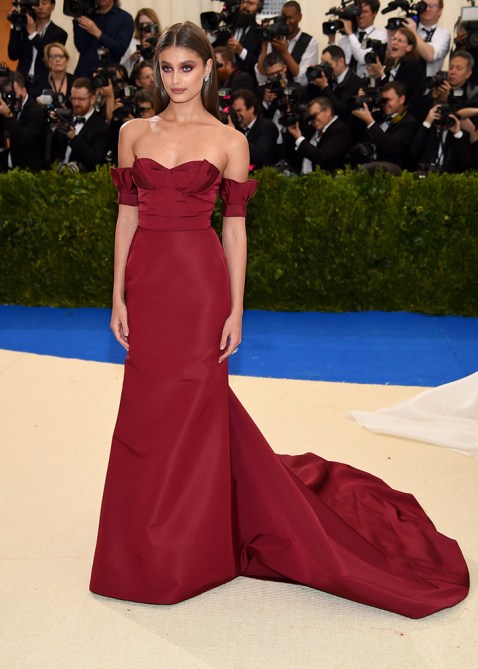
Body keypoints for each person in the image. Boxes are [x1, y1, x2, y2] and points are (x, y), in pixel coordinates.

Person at [89, 20, 469, 619]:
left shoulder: (229, 141)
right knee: (144, 412)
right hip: (147, 283)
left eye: (187, 67)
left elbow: (235, 232)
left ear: (208, 69)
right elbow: (125, 218)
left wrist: (235, 308)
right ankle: (137, 535)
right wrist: (117, 295)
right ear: (155, 70)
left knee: (194, 407)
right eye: (166, 68)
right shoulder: (133, 133)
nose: (176, 79)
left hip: (199, 288)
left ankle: (190, 547)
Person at [351, 81, 419, 169]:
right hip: (366, 167)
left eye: (388, 100)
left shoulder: (409, 123)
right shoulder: (378, 115)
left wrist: (370, 121)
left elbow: (390, 147)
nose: (384, 104)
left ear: (401, 99)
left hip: (390, 171)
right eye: (383, 100)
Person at [50, 77, 111, 171]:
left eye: (80, 99)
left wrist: (73, 138)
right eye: (73, 98)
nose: (76, 103)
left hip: (83, 178)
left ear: (92, 99)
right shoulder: (65, 118)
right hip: (55, 174)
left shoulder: (101, 127)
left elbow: (95, 161)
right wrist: (53, 128)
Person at [256, 1, 318, 87]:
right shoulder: (275, 39)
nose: (287, 22)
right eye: (284, 18)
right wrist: (264, 45)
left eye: (290, 18)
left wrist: (284, 52)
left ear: (300, 17)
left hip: (299, 92)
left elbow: (303, 80)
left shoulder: (310, 42)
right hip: (275, 90)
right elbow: (261, 77)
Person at [7, 0, 67, 85]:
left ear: (52, 6)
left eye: (44, 3)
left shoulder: (59, 34)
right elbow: (13, 55)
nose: (40, 7)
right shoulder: (25, 28)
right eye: (37, 4)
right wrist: (15, 24)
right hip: (22, 82)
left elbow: (48, 56)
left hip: (44, 83)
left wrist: (33, 34)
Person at [287, 96, 351, 173]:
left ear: (328, 111)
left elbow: (322, 157)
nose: (313, 120)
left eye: (315, 115)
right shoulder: (313, 129)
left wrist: (299, 139)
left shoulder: (340, 130)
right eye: (310, 117)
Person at [0, 70, 48, 171]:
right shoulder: (7, 107)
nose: (11, 99)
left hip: (29, 170)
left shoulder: (36, 112)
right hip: (9, 166)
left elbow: (25, 139)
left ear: (24, 90)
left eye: (14, 93)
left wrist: (8, 116)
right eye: (8, 95)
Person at [73, 0, 134, 77]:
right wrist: (77, 18)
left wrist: (97, 33)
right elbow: (81, 47)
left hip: (108, 75)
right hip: (84, 73)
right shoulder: (88, 16)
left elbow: (120, 49)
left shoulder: (125, 18)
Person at [307, 45, 362, 122]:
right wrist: (314, 81)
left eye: (328, 64)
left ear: (341, 62)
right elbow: (313, 101)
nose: (325, 68)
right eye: (322, 64)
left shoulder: (354, 82)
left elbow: (342, 111)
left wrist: (325, 87)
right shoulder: (327, 78)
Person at [335, 0, 388, 78]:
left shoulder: (382, 37)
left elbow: (362, 58)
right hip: (347, 83)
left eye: (365, 12)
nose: (360, 15)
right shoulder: (345, 38)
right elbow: (335, 61)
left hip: (369, 82)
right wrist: (331, 39)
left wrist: (350, 33)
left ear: (374, 13)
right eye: (358, 12)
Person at [230, 89, 279, 168]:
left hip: (262, 173)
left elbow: (258, 155)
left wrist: (235, 136)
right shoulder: (235, 126)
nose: (236, 115)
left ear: (251, 109)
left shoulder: (268, 127)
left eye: (239, 110)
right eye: (234, 111)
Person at [402, 0, 451, 77]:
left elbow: (430, 56)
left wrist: (413, 33)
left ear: (440, 11)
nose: (427, 9)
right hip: (404, 78)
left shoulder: (443, 34)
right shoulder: (408, 28)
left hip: (427, 82)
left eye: (431, 6)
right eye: (424, 5)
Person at [120, 7, 162, 76]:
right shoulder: (131, 43)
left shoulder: (162, 41)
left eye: (148, 24)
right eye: (142, 25)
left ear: (155, 25)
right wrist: (132, 58)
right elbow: (122, 68)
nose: (145, 27)